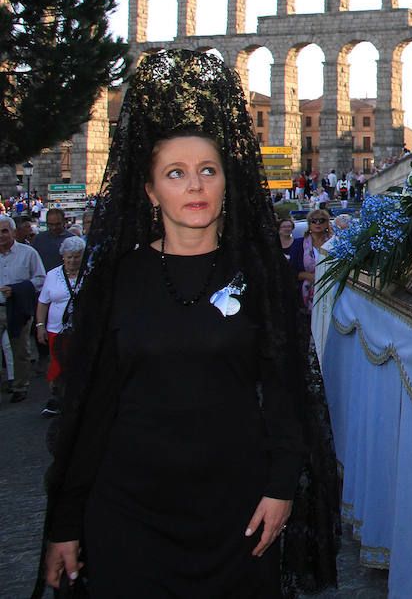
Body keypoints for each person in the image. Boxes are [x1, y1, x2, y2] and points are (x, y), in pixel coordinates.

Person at [39, 49, 339, 595]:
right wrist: (64, 520)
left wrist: (280, 487)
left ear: (228, 182)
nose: (195, 186)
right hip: (128, 509)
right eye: (176, 174)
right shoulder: (118, 279)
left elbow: (286, 389)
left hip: (236, 509)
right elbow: (93, 405)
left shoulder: (259, 275)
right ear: (152, 191)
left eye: (208, 170)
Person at [36, 236, 85, 416]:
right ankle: (56, 399)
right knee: (58, 364)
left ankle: (78, 399)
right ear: (63, 256)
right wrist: (40, 325)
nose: (72, 260)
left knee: (81, 363)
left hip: (83, 329)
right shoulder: (52, 275)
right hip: (57, 329)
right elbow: (43, 302)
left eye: (77, 256)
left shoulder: (90, 273)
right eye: (69, 256)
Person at [0, 213, 44, 403]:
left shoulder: (28, 253)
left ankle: (20, 385)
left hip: (18, 307)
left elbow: (40, 279)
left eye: (4, 231)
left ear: (13, 232)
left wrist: (18, 289)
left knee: (20, 348)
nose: (1, 235)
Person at [289, 208, 334, 313]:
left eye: (321, 220)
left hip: (331, 292)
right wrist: (307, 276)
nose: (317, 223)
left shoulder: (335, 242)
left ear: (327, 223)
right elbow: (291, 271)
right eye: (314, 221)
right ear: (309, 224)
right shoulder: (298, 244)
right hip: (305, 294)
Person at [33, 208, 76, 272]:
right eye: (51, 224)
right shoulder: (39, 239)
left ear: (64, 222)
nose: (54, 228)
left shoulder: (73, 240)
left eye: (57, 224)